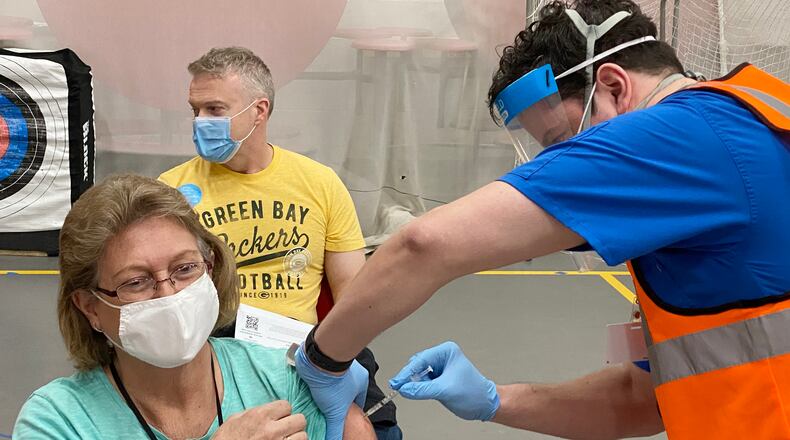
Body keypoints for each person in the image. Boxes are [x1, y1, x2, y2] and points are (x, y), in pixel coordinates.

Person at [292, 0, 790, 439]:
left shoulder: (676, 138)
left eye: (562, 143)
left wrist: (324, 359)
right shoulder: (743, 121)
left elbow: (425, 244)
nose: (559, 167)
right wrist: (492, 399)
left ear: (614, 86)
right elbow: (640, 402)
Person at [13, 174, 374, 440]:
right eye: (136, 282)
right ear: (90, 307)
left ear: (211, 267)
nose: (169, 294)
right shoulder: (59, 421)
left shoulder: (282, 377)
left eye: (185, 269)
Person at [158, 47, 401, 439]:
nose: (201, 122)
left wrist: (332, 359)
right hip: (214, 352)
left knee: (368, 430)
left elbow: (355, 298)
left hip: (302, 351)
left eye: (215, 110)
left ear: (259, 111)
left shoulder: (319, 184)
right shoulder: (169, 193)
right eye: (195, 110)